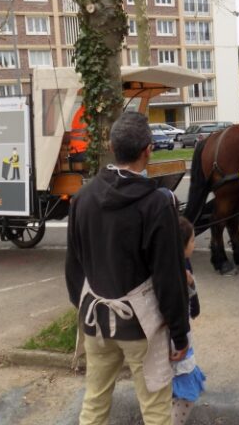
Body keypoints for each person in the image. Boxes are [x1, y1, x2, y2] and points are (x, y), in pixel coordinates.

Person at [65, 112, 190, 425]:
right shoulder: (157, 203)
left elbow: (73, 265)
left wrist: (83, 308)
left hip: (96, 320)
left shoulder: (82, 198)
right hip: (142, 327)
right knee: (155, 408)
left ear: (110, 145)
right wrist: (180, 333)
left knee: (94, 402)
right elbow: (168, 276)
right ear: (148, 149)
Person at [172, 217, 206, 425]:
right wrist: (179, 341)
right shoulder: (177, 273)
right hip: (177, 341)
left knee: (176, 387)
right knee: (187, 391)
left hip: (177, 338)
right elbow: (179, 309)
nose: (195, 244)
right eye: (193, 240)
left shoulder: (180, 265)